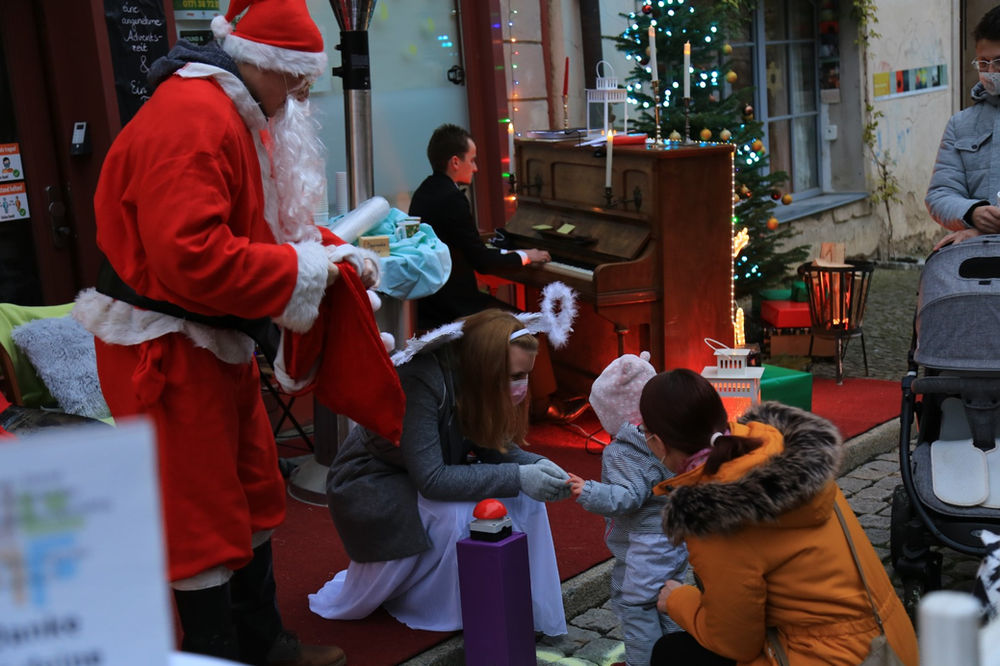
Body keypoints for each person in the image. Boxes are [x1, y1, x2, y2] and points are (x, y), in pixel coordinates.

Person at [71, 1, 396, 664]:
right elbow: (191, 256)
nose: (301, 93)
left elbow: (260, 227)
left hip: (212, 339)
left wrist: (326, 251)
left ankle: (264, 641)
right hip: (163, 346)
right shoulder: (195, 118)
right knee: (198, 513)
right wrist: (308, 269)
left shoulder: (237, 112)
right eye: (296, 77)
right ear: (262, 62)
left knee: (250, 486)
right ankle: (220, 654)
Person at [309, 309, 570, 636]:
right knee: (456, 513)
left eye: (526, 375)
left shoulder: (472, 376)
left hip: (418, 475)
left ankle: (524, 603)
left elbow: (492, 447)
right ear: (485, 364)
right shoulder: (421, 379)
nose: (521, 386)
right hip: (372, 483)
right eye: (514, 375)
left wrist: (536, 465)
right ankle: (434, 606)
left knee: (527, 498)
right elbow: (433, 480)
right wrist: (519, 476)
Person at [640, 369, 918, 666]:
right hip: (890, 643)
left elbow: (735, 643)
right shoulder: (777, 450)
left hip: (834, 658)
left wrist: (678, 600)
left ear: (658, 443)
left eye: (644, 432)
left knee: (671, 655)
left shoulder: (713, 512)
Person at [566, 352, 688, 666]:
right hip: (674, 539)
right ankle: (678, 656)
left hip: (645, 547)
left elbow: (626, 498)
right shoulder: (670, 437)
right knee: (671, 600)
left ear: (611, 414)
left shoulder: (623, 451)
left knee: (636, 609)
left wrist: (588, 490)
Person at [409, 123, 551, 329]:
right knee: (535, 325)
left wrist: (511, 252)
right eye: (472, 160)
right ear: (455, 162)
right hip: (453, 307)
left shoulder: (424, 190)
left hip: (429, 303)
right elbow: (481, 262)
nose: (475, 168)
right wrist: (526, 255)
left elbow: (467, 247)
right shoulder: (452, 199)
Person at [927, 5, 1000, 250]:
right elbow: (939, 194)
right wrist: (972, 212)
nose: (991, 72)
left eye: (999, 62)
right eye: (984, 63)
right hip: (983, 262)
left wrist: (985, 231)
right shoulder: (961, 125)